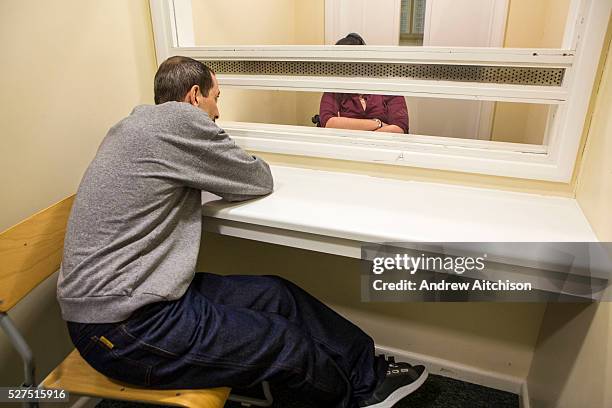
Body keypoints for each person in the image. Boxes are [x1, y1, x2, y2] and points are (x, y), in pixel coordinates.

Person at [57, 56, 427, 408]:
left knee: (277, 295)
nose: (217, 112)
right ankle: (355, 400)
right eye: (216, 98)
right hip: (122, 329)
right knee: (282, 341)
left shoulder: (136, 126)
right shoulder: (180, 123)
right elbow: (256, 177)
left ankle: (369, 370)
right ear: (194, 96)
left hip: (142, 298)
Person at [319, 33, 409, 134]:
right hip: (347, 147)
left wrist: (348, 127)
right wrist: (378, 123)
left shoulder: (387, 87)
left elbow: (399, 129)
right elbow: (329, 123)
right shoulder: (335, 89)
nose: (348, 69)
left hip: (383, 147)